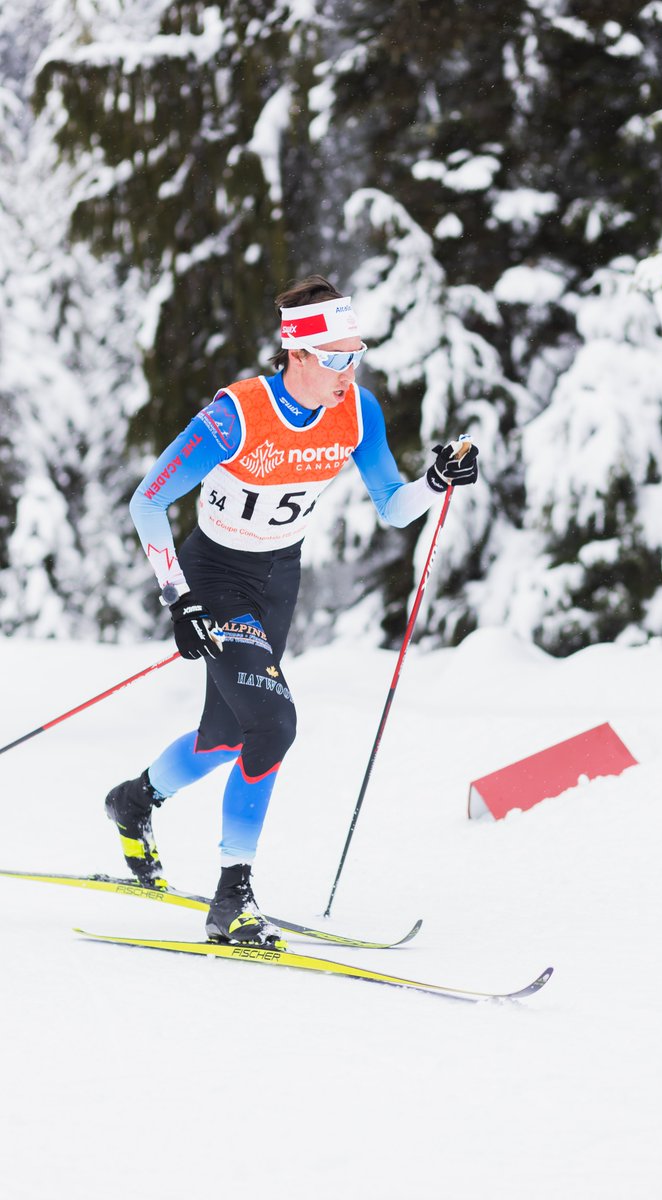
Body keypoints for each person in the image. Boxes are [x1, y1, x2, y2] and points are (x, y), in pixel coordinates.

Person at [105, 275, 480, 946]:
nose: (349, 368)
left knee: (225, 739)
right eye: (335, 356)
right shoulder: (236, 417)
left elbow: (393, 506)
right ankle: (233, 896)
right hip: (214, 576)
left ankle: (133, 802)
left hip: (277, 579)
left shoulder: (357, 411)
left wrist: (435, 481)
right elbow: (147, 502)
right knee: (273, 724)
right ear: (297, 353)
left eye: (355, 353)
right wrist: (178, 598)